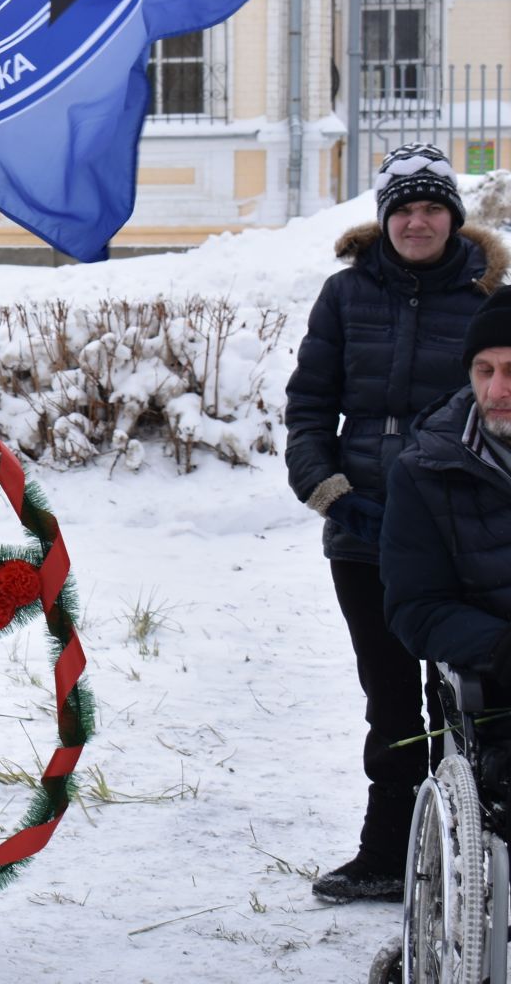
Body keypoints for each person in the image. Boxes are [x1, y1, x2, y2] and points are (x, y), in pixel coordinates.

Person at [285, 142, 505, 902]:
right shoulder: (345, 296)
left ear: (454, 218)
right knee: (390, 699)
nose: (418, 222)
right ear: (384, 220)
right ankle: (388, 852)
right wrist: (331, 491)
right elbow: (310, 407)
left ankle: (465, 854)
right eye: (404, 208)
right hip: (363, 526)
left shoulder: (483, 301)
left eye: (432, 207)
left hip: (455, 533)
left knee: (466, 699)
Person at [384, 289, 511, 676]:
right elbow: (417, 608)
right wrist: (502, 648)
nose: (496, 391)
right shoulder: (425, 471)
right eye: (484, 371)